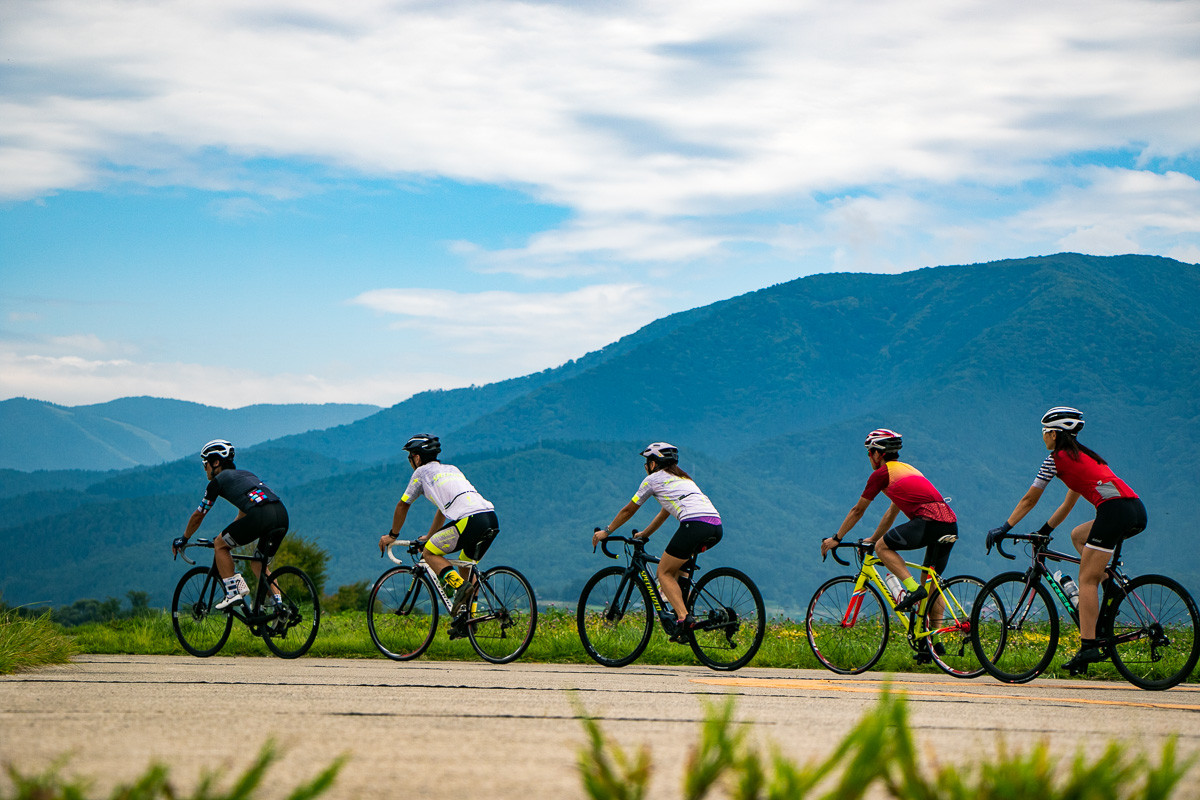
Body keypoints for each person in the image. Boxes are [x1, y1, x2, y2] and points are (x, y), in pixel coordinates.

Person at [987, 407, 1146, 673]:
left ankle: (1088, 646)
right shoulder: (1083, 458)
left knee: (1086, 579)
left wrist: (1005, 527)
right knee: (1078, 536)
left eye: (1044, 431)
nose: (1043, 437)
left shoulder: (1055, 460)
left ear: (1054, 433)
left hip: (1114, 512)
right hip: (1134, 509)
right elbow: (1068, 505)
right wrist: (1045, 529)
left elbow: (1030, 498)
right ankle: (1112, 587)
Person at [820, 429, 958, 633]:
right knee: (931, 584)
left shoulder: (882, 474)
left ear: (877, 454)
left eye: (869, 452)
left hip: (929, 522)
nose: (869, 457)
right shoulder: (908, 469)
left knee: (883, 548)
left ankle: (912, 590)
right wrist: (873, 537)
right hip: (949, 524)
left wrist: (837, 538)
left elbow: (857, 510)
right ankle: (933, 643)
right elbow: (893, 511)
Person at [592, 442, 723, 642]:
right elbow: (664, 513)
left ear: (653, 464)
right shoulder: (683, 478)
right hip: (715, 526)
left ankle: (682, 618)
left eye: (647, 462)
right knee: (679, 574)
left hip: (694, 525)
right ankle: (689, 623)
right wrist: (644, 533)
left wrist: (607, 532)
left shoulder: (652, 480)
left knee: (663, 572)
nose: (645, 466)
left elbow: (629, 510)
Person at [378, 434, 499, 638]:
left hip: (469, 520)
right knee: (466, 565)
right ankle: (468, 620)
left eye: (410, 457)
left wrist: (393, 535)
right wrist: (432, 535)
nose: (410, 462)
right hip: (490, 518)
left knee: (429, 553)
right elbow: (443, 509)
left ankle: (460, 587)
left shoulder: (422, 473)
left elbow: (403, 505)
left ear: (417, 458)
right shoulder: (452, 469)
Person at [172, 439, 289, 610]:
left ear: (216, 462)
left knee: (220, 545)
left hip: (261, 516)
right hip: (281, 514)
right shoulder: (247, 475)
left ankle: (233, 592)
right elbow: (245, 511)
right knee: (258, 564)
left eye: (206, 464)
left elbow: (199, 515)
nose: (205, 469)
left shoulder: (217, 482)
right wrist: (226, 534)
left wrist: (184, 538)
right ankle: (279, 607)